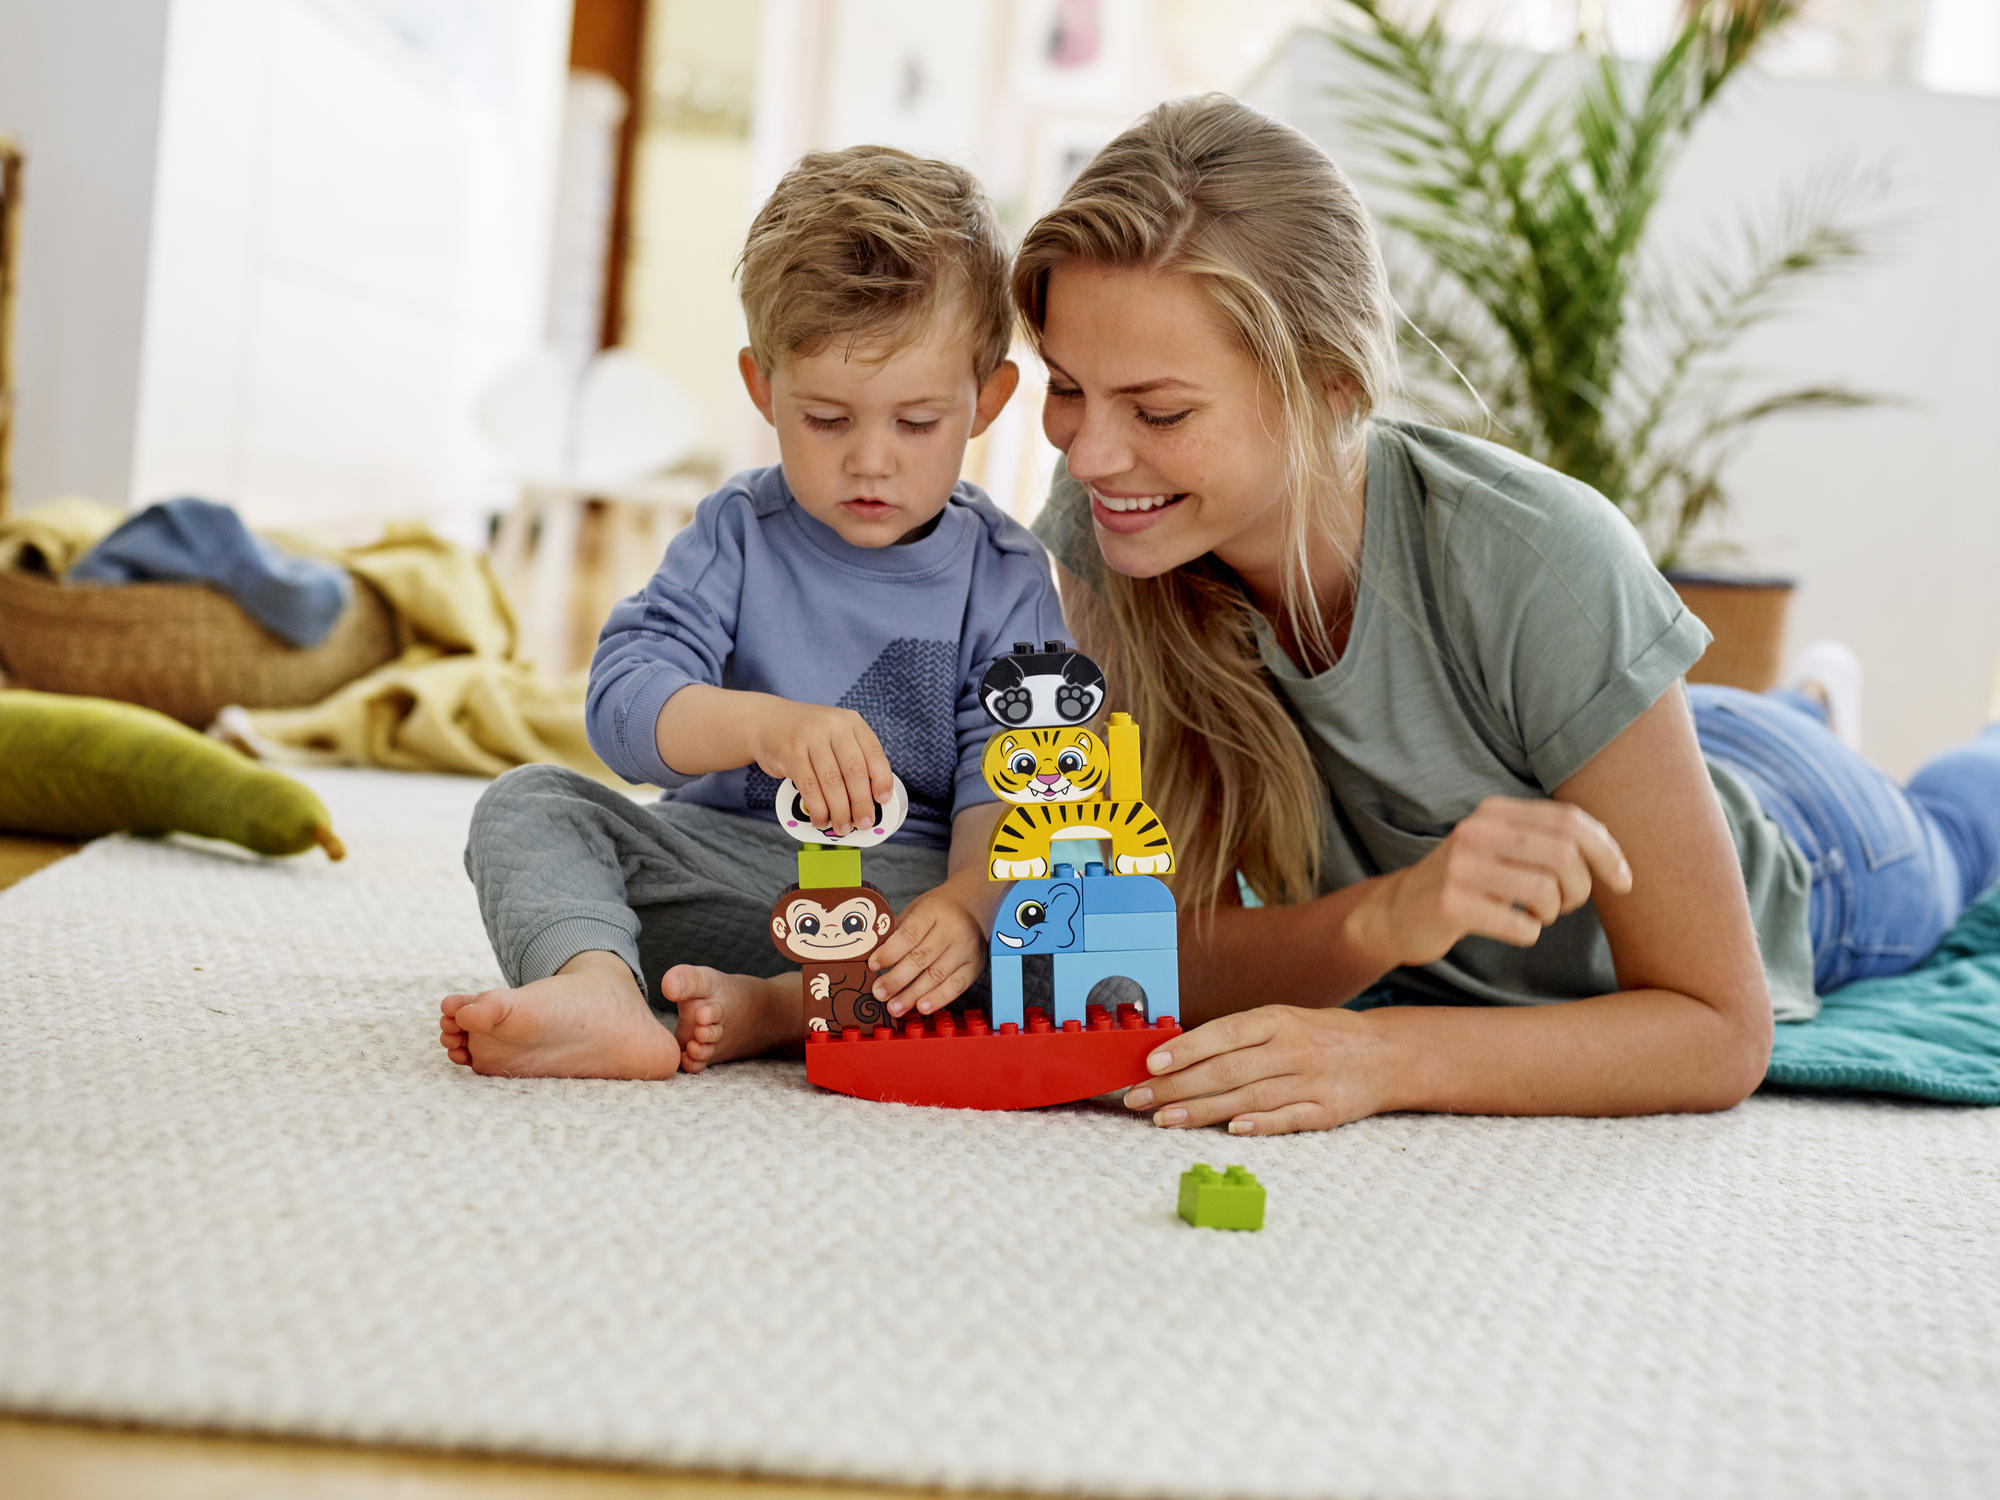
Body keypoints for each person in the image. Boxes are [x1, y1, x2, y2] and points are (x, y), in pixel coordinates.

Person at [1011, 94, 2000, 1135]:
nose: (1091, 454)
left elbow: (1718, 1030)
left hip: (1817, 847)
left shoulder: (1539, 556)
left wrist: (1380, 1054)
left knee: (1964, 813)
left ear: (1333, 388)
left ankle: (1873, 729)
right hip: (1644, 738)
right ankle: (1803, 703)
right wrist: (1384, 919)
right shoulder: (1113, 525)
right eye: (1068, 387)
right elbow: (1157, 949)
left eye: (1159, 411)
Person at [440, 146, 1064, 1080]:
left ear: (988, 401)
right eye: (827, 419)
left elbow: (1012, 792)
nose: (871, 460)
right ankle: (599, 986)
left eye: (916, 422)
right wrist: (764, 727)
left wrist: (968, 914)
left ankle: (776, 1008)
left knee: (1044, 930)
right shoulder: (736, 530)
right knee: (528, 805)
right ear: (763, 387)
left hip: (905, 901)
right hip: (726, 872)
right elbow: (623, 709)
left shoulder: (1006, 576)